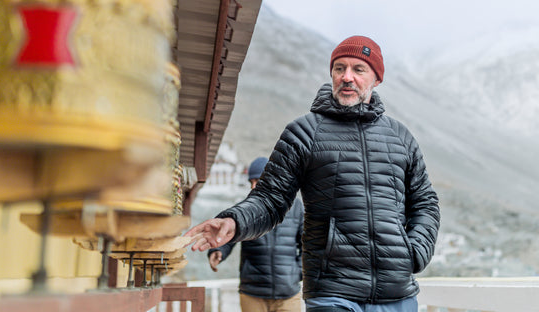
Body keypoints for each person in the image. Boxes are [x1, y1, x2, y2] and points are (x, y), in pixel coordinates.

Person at [186, 35, 440, 312]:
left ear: (376, 78)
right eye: (339, 68)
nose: (347, 77)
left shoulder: (400, 137)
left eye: (358, 69)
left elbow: (425, 202)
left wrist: (415, 252)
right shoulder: (304, 132)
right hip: (333, 292)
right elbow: (270, 199)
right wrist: (235, 221)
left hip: (397, 294)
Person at [208, 157, 304, 312]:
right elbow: (231, 234)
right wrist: (218, 251)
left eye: (258, 181)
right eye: (251, 182)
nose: (253, 186)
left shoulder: (297, 207)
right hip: (252, 292)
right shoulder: (245, 207)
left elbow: (307, 244)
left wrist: (297, 273)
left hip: (288, 293)